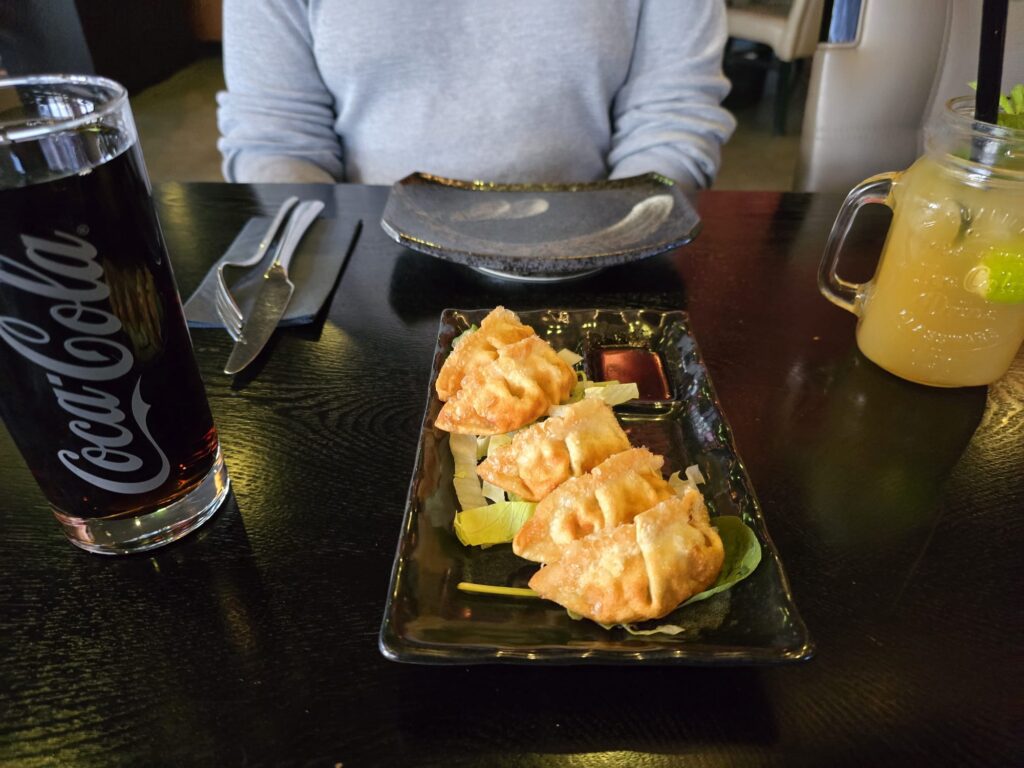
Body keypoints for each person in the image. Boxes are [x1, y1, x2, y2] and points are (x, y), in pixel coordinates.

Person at [217, 0, 736, 190]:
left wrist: (620, 235)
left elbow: (672, 116)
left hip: (599, 236)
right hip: (364, 247)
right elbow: (278, 140)